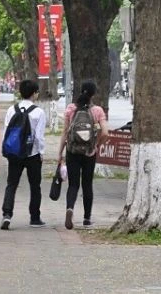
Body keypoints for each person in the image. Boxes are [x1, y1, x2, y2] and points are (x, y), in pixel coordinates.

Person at [58, 80, 108, 230]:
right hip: (89, 152)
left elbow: (65, 132)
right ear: (93, 94)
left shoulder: (71, 109)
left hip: (72, 151)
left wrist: (60, 153)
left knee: (73, 184)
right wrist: (97, 144)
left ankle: (70, 209)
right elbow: (105, 132)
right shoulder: (97, 111)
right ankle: (87, 218)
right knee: (87, 184)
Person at [0, 79, 47, 230]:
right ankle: (34, 217)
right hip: (32, 154)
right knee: (35, 186)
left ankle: (7, 214)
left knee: (11, 184)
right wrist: (41, 152)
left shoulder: (11, 110)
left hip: (14, 154)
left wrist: (6, 151)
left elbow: (6, 132)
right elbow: (39, 137)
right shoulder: (39, 112)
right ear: (34, 93)